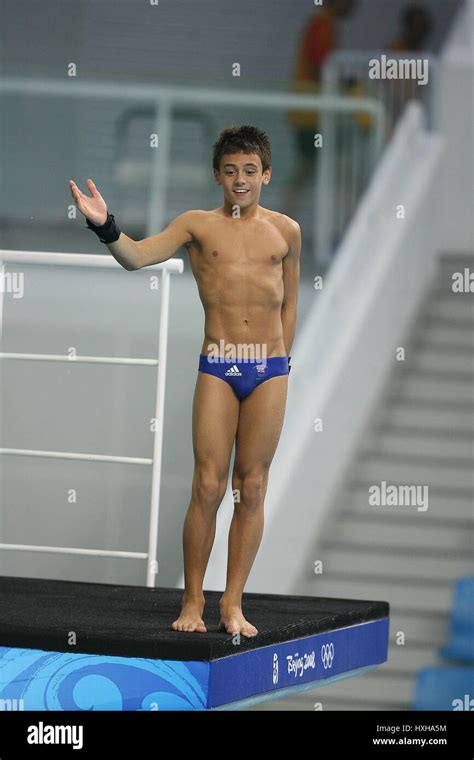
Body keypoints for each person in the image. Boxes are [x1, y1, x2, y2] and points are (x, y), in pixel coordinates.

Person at [69, 125, 300, 638]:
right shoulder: (197, 225)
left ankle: (233, 604)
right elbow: (138, 256)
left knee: (254, 487)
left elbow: (290, 302)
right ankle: (194, 599)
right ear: (218, 176)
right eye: (230, 171)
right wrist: (104, 225)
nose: (240, 181)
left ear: (266, 174)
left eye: (250, 171)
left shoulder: (286, 231)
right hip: (219, 364)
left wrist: (283, 363)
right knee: (209, 484)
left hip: (268, 370)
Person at [286, 0, 357, 217]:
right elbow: (324, 65)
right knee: (336, 166)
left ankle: (279, 223)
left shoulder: (323, 23)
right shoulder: (322, 25)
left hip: (312, 112)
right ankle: (347, 220)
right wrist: (349, 84)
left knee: (310, 169)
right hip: (312, 115)